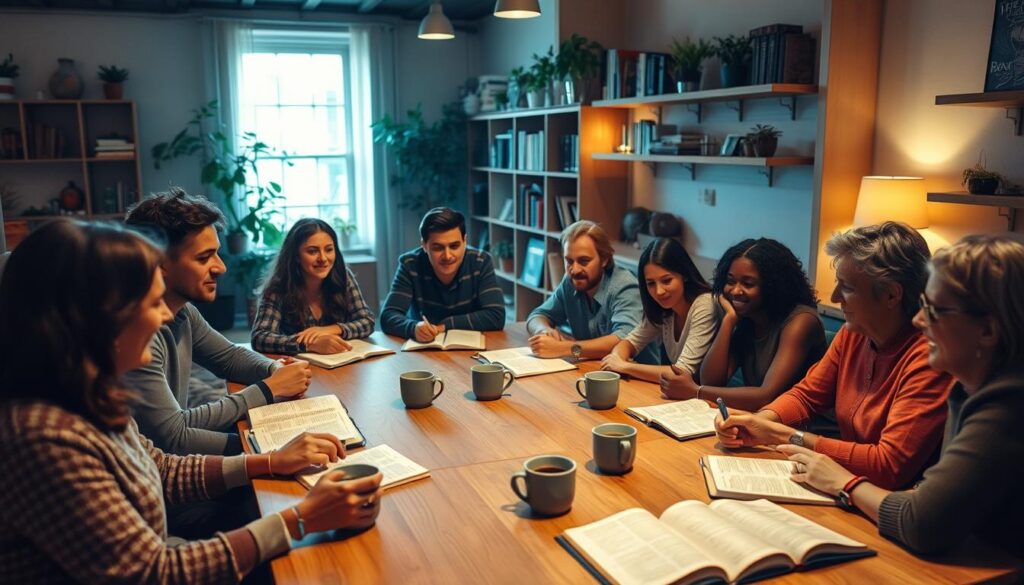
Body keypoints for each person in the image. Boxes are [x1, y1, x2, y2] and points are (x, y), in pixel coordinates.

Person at [0, 220, 383, 583]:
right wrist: (298, 520)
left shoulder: (87, 394)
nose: (164, 315)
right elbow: (153, 573)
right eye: (151, 304)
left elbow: (163, 469)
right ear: (96, 320)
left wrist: (269, 461)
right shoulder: (44, 437)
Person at [775, 235, 1024, 558]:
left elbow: (923, 522)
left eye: (933, 311)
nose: (920, 321)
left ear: (988, 331)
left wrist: (844, 483)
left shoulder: (1007, 405)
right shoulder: (969, 388)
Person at [715, 222, 955, 490]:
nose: (835, 296)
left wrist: (785, 435)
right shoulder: (855, 333)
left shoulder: (930, 357)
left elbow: (889, 466)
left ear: (891, 294)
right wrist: (761, 420)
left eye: (847, 288)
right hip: (847, 483)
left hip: (891, 502)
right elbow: (806, 396)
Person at [123, 188, 312, 456]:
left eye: (217, 253)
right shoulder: (135, 336)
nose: (221, 267)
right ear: (159, 262)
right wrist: (263, 439)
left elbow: (228, 356)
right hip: (165, 482)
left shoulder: (182, 311)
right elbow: (174, 438)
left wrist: (275, 370)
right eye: (204, 257)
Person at [660, 237, 826, 410]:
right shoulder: (748, 319)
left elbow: (766, 396)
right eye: (730, 281)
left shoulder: (801, 322)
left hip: (806, 429)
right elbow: (712, 380)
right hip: (764, 421)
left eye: (748, 284)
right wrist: (729, 321)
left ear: (773, 286)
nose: (735, 291)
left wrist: (696, 391)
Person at [600, 238, 719, 383]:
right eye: (651, 283)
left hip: (712, 400)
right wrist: (618, 358)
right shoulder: (664, 309)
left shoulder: (704, 304)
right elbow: (629, 343)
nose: (659, 291)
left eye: (666, 280)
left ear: (684, 275)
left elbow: (680, 373)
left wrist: (625, 366)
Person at [527, 220, 646, 362]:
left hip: (637, 379)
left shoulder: (625, 286)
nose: (575, 270)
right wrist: (544, 330)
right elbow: (537, 315)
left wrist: (564, 348)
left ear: (604, 260)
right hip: (594, 370)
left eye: (584, 261)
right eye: (569, 261)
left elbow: (624, 340)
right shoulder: (570, 281)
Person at [252, 218, 375, 355]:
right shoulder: (278, 287)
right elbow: (260, 337)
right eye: (312, 251)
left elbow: (367, 321)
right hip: (296, 367)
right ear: (296, 256)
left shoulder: (343, 276)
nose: (323, 258)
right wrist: (309, 344)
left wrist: (331, 329)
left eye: (329, 249)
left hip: (341, 363)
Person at [380, 207, 505, 340]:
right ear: (424, 245)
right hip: (424, 349)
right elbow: (388, 316)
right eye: (438, 248)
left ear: (465, 241)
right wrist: (413, 328)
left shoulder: (480, 261)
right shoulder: (410, 264)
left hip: (470, 349)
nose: (447, 256)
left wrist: (445, 326)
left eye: (454, 246)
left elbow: (496, 315)